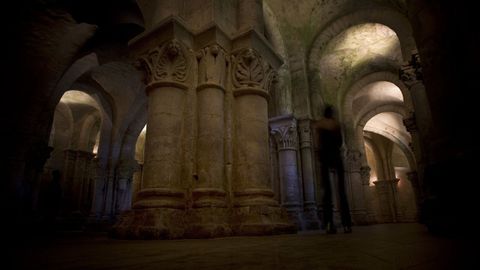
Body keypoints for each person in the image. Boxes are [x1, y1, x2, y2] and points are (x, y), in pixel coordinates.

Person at [312, 105, 352, 234]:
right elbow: (340, 142)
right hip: (336, 156)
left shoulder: (319, 124)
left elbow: (317, 143)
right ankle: (347, 224)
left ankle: (329, 223)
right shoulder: (336, 124)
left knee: (327, 192)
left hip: (324, 158)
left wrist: (320, 154)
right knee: (341, 191)